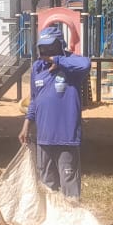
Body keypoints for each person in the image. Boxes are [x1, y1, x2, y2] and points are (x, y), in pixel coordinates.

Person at [18, 24, 91, 200]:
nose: (46, 51)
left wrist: (57, 61)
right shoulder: (37, 68)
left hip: (66, 138)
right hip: (43, 139)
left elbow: (86, 64)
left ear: (60, 45)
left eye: (51, 47)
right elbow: (35, 100)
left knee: (69, 186)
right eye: (43, 47)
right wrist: (26, 125)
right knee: (46, 186)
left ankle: (71, 214)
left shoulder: (71, 66)